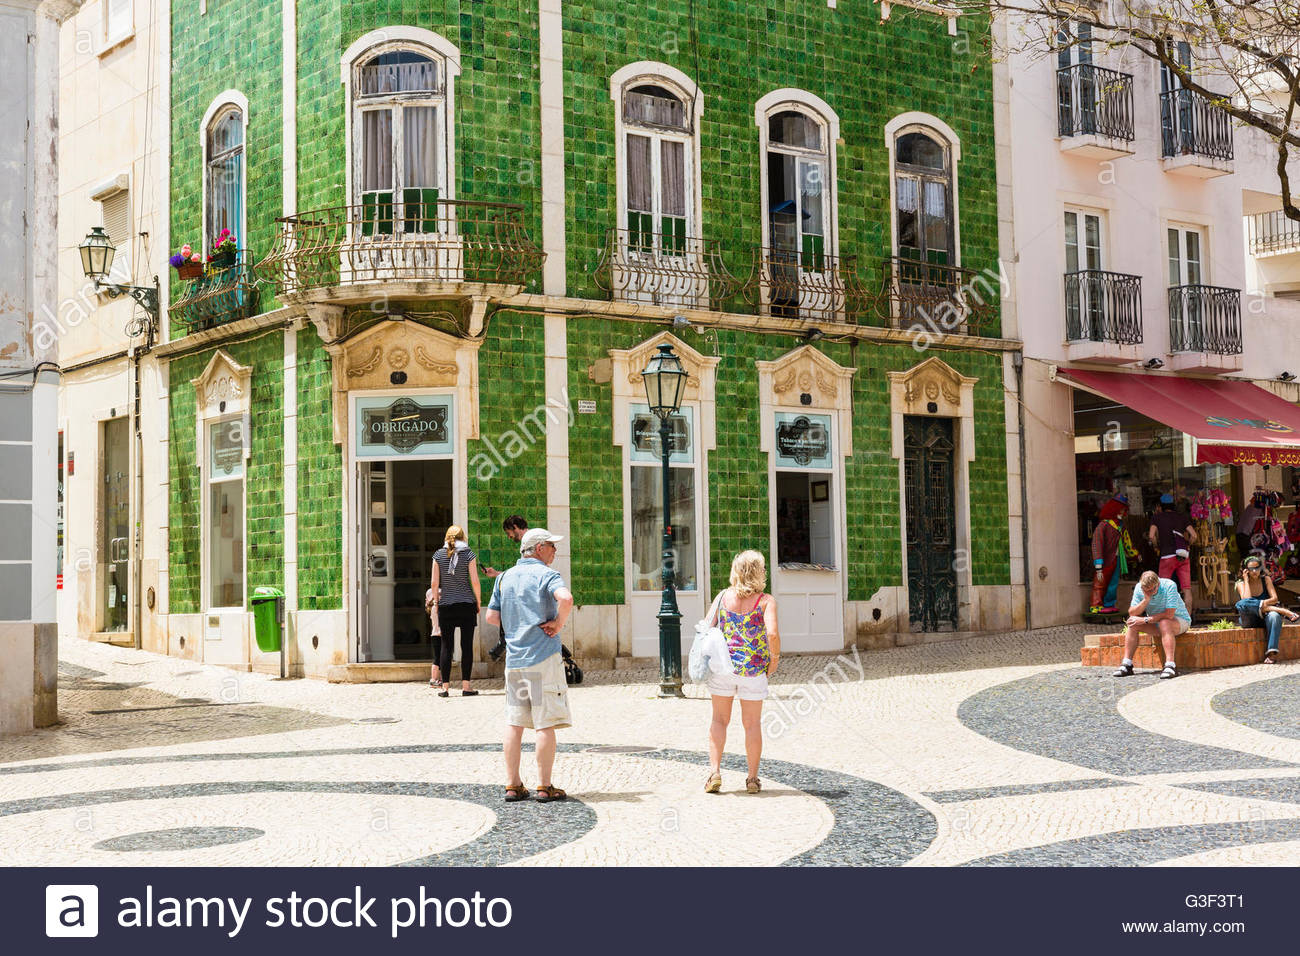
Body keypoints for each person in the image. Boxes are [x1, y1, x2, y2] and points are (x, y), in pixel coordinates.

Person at [486, 527, 574, 803]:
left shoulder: (505, 578)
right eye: (551, 545)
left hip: (515, 662)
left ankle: (512, 785)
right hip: (543, 658)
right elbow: (566, 598)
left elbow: (491, 616)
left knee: (515, 723)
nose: (554, 550)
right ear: (538, 549)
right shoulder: (547, 575)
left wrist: (516, 625)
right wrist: (558, 623)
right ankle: (544, 786)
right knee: (544, 723)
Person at [704, 550, 781, 795]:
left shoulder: (722, 597)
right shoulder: (766, 601)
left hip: (723, 669)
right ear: (759, 573)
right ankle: (752, 779)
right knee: (752, 725)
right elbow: (772, 634)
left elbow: (706, 627)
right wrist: (774, 659)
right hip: (753, 670)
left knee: (719, 720)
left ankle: (715, 773)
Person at [429, 525, 482, 697]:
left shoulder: (438, 555)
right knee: (466, 646)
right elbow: (474, 581)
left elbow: (434, 584)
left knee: (446, 646)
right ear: (462, 537)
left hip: (446, 605)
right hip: (466, 604)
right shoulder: (469, 554)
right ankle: (466, 687)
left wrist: (437, 602)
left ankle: (445, 688)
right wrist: (478, 601)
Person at [1113, 570, 1191, 680]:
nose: (1150, 592)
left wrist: (1145, 619)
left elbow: (1169, 614)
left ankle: (1170, 665)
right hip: (1157, 623)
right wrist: (1146, 600)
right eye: (1146, 590)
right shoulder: (1139, 588)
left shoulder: (1169, 585)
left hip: (1179, 621)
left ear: (1158, 583)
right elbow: (1132, 612)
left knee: (1164, 622)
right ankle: (1127, 664)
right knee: (1132, 622)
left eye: (1152, 590)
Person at [1235, 554, 1298, 664]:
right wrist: (1246, 580)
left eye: (1257, 568)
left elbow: (1274, 598)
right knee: (1242, 604)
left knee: (1274, 616)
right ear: (1246, 570)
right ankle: (1283, 611)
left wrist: (1264, 606)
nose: (1254, 571)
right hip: (1250, 619)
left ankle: (1272, 653)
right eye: (1251, 569)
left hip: (1265, 618)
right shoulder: (1240, 583)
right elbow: (1246, 600)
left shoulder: (1266, 579)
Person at [483, 515, 529, 662]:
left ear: (515, 527)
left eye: (508, 532)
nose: (509, 537)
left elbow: (527, 574)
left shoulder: (530, 543)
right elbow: (520, 573)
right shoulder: (526, 544)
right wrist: (497, 574)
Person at [1149, 493, 1198, 607]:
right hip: (1182, 555)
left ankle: (1166, 618)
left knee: (1163, 589)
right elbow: (1194, 535)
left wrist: (1156, 546)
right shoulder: (1182, 517)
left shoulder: (1157, 518)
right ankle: (1188, 620)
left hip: (1166, 556)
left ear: (1160, 506)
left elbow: (1151, 536)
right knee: (1186, 589)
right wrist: (1187, 544)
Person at [1090, 494, 1129, 613]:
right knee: (1100, 583)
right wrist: (1098, 564)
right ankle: (1096, 605)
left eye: (1124, 510)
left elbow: (1127, 542)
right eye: (1121, 509)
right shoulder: (1104, 525)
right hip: (1105, 559)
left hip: (1116, 559)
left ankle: (1109, 604)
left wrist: (1135, 554)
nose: (1122, 512)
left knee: (1113, 583)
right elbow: (1096, 544)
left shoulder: (1121, 526)